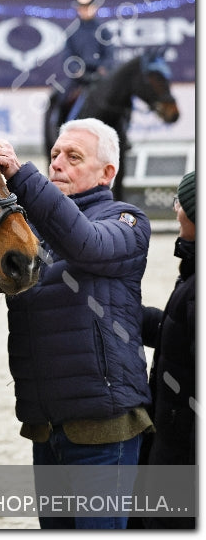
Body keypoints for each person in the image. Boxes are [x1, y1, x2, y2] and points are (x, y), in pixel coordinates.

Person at [0, 118, 153, 530]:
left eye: (73, 156)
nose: (57, 163)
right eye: (54, 155)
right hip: (45, 428)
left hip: (104, 429)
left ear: (107, 172)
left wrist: (22, 176)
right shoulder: (30, 229)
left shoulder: (126, 220)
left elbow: (85, 242)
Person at [135, 170, 196, 529]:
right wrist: (127, 313)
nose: (176, 209)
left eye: (181, 203)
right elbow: (175, 333)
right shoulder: (192, 272)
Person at [52, 0, 115, 127]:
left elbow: (109, 54)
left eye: (88, 7)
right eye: (82, 7)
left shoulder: (103, 31)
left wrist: (103, 68)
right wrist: (76, 70)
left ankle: (121, 131)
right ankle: (59, 130)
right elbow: (68, 56)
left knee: (118, 99)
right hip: (79, 79)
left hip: (100, 77)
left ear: (95, 7)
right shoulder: (73, 32)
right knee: (62, 98)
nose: (85, 10)